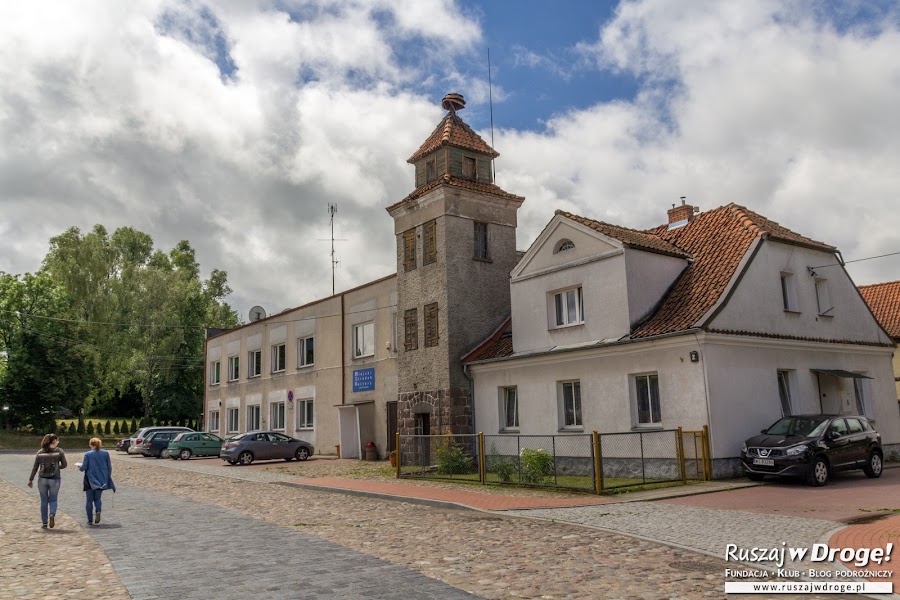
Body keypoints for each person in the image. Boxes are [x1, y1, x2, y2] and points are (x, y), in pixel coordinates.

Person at [28, 433, 67, 529]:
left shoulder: (40, 452)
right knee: (53, 499)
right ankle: (52, 514)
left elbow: (35, 467)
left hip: (42, 479)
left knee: (44, 501)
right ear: (54, 441)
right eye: (57, 440)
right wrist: (58, 467)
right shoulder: (59, 451)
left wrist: (31, 479)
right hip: (55, 479)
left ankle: (44, 523)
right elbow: (65, 464)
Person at [77, 437, 115, 525]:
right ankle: (98, 511)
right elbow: (109, 466)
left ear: (91, 445)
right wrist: (107, 476)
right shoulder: (105, 453)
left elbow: (84, 467)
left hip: (90, 479)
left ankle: (90, 520)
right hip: (101, 479)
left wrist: (80, 467)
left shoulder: (88, 454)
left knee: (89, 500)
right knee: (98, 498)